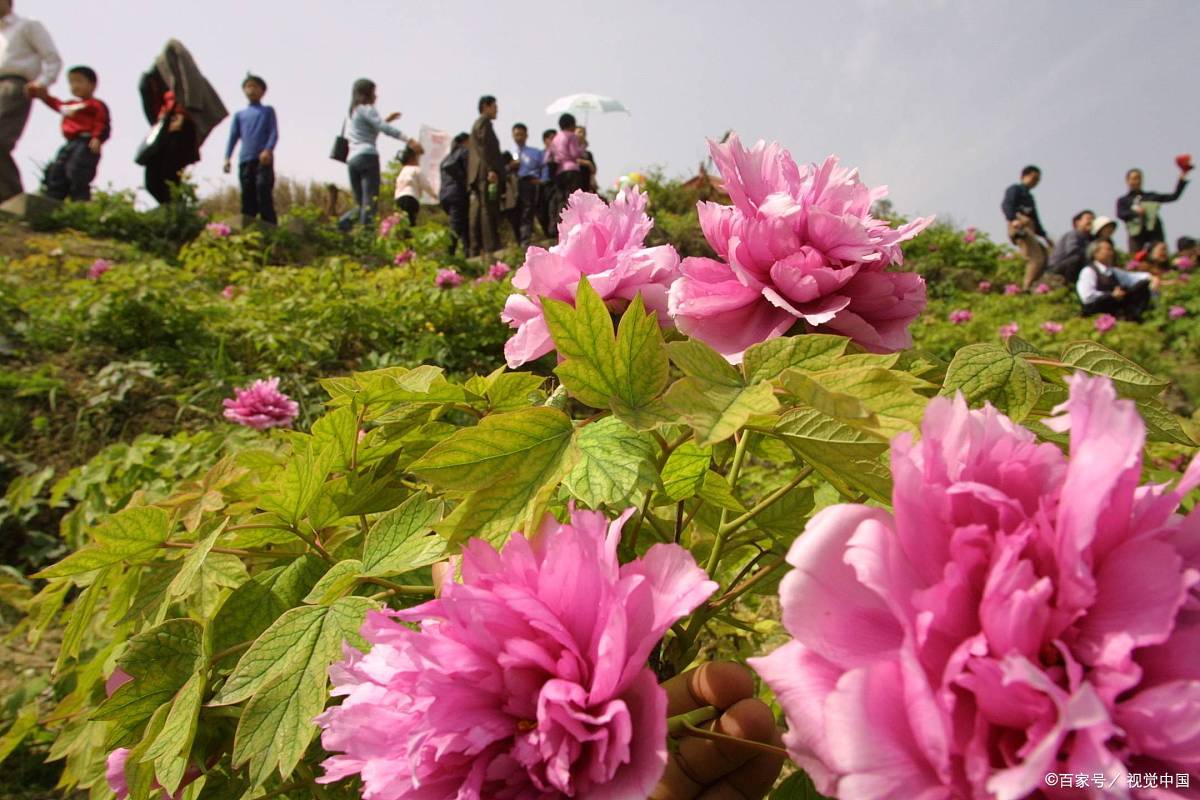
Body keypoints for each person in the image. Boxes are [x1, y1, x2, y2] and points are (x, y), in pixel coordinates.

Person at [138, 40, 227, 206]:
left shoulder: (186, 89)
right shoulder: (165, 91)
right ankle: (171, 209)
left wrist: (181, 114)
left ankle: (177, 212)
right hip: (165, 131)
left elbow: (192, 98)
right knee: (153, 179)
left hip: (181, 131)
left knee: (170, 175)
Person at [0, 0, 62, 203]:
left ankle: (12, 197)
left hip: (14, 85)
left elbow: (52, 58)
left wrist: (42, 82)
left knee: (1, 139)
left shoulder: (27, 25)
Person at [338, 78, 415, 231]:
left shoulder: (351, 113)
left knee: (360, 204)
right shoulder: (366, 108)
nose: (376, 96)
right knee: (370, 203)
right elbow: (382, 127)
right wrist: (409, 140)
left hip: (352, 160)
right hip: (367, 158)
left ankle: (343, 225)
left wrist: (387, 120)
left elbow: (369, 131)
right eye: (374, 92)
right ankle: (367, 240)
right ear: (367, 93)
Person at [37, 65, 108, 202]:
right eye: (72, 82)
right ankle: (53, 200)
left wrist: (97, 137)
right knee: (57, 170)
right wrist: (43, 96)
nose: (75, 86)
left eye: (79, 82)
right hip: (70, 143)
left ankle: (80, 203)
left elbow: (102, 122)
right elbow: (56, 104)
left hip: (85, 141)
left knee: (77, 171)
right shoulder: (70, 106)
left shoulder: (95, 105)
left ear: (92, 85)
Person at [222, 74, 278, 224]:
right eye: (248, 86)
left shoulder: (267, 111)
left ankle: (270, 227)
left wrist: (268, 150)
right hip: (245, 159)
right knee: (247, 195)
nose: (251, 90)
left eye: (255, 86)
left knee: (263, 190)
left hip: (263, 160)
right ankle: (247, 228)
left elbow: (273, 133)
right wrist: (227, 157)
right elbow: (233, 137)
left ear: (262, 91)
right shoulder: (239, 115)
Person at [1076, 239, 1157, 320]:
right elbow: (1087, 297)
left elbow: (1131, 277)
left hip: (1113, 314)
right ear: (1095, 253)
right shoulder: (1088, 271)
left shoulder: (1113, 272)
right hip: (1095, 314)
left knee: (1143, 285)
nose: (1111, 253)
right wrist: (1111, 295)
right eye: (1108, 250)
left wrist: (1151, 278)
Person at [1116, 165, 1190, 254]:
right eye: (1133, 179)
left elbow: (1174, 196)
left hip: (1155, 234)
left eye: (1138, 178)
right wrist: (1135, 213)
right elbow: (1121, 214)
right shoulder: (1124, 200)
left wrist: (1183, 176)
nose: (1136, 181)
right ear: (1128, 181)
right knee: (1135, 258)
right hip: (1136, 235)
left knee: (1160, 253)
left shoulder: (1151, 196)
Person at [1001, 165, 1052, 291]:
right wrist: (1013, 219)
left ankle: (1034, 284)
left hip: (1030, 228)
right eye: (1034, 178)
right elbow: (1007, 204)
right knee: (1035, 257)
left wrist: (1045, 236)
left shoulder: (1030, 198)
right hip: (1020, 226)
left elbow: (1035, 219)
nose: (1036, 182)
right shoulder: (1015, 189)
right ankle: (1025, 287)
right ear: (1024, 176)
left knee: (1044, 254)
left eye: (1038, 180)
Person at [467, 94, 505, 259]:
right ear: (486, 106)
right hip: (485, 172)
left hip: (480, 173)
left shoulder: (480, 124)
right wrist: (491, 169)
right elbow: (485, 149)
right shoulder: (484, 123)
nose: (497, 110)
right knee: (488, 209)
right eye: (494, 106)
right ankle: (491, 246)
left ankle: (477, 247)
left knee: (481, 209)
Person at [549, 113, 592, 221]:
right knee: (573, 198)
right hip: (572, 170)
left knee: (561, 198)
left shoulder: (556, 138)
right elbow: (574, 154)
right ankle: (573, 222)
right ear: (572, 124)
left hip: (559, 171)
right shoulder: (572, 136)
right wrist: (582, 146)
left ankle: (559, 222)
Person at [509, 122, 542, 248]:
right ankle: (519, 240)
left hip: (528, 183)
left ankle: (525, 239)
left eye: (521, 135)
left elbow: (541, 168)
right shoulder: (509, 152)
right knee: (515, 212)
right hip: (513, 184)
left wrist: (539, 179)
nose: (519, 137)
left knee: (527, 211)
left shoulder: (534, 152)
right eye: (517, 135)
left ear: (526, 135)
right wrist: (511, 166)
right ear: (513, 135)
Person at [438, 131, 469, 254]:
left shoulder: (446, 159)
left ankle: (465, 251)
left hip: (445, 195)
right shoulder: (464, 152)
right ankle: (450, 252)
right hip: (457, 194)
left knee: (458, 223)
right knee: (458, 224)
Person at [1046, 209, 1093, 284]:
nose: (1092, 221)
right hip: (1056, 267)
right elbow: (1073, 251)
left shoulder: (1089, 238)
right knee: (1077, 258)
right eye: (1088, 219)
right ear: (1078, 222)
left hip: (1068, 265)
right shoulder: (1074, 234)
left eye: (1093, 219)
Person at [393, 142, 434, 227]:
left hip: (398, 200)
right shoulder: (415, 169)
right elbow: (426, 185)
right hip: (410, 198)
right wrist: (435, 195)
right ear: (412, 159)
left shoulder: (401, 172)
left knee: (401, 223)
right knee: (411, 222)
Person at [537, 127, 556, 236]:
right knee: (542, 209)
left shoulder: (559, 153)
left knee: (553, 207)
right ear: (545, 140)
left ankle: (552, 230)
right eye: (551, 139)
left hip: (555, 183)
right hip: (543, 184)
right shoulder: (541, 154)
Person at [576, 124, 597, 192]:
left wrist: (589, 164)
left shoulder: (588, 154)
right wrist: (587, 163)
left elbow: (594, 170)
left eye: (584, 133)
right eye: (579, 132)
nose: (581, 134)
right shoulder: (572, 150)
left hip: (586, 183)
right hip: (575, 180)